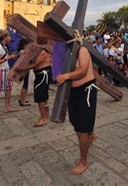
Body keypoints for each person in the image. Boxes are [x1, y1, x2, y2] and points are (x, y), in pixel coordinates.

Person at [55, 46, 98, 175]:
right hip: (73, 91)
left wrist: (66, 76)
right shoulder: (67, 53)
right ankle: (91, 134)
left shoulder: (82, 50)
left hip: (85, 91)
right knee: (75, 121)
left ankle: (83, 161)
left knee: (81, 128)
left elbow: (83, 71)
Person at [8, 43, 52, 127]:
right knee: (43, 96)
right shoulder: (38, 51)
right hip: (40, 74)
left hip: (43, 74)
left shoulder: (43, 51)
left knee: (40, 97)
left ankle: (43, 118)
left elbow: (35, 64)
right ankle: (46, 115)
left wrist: (21, 68)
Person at [0, 30, 19, 116]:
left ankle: (8, 106)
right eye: (9, 36)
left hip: (6, 69)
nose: (10, 37)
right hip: (1, 70)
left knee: (9, 89)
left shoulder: (4, 47)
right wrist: (9, 57)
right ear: (4, 37)